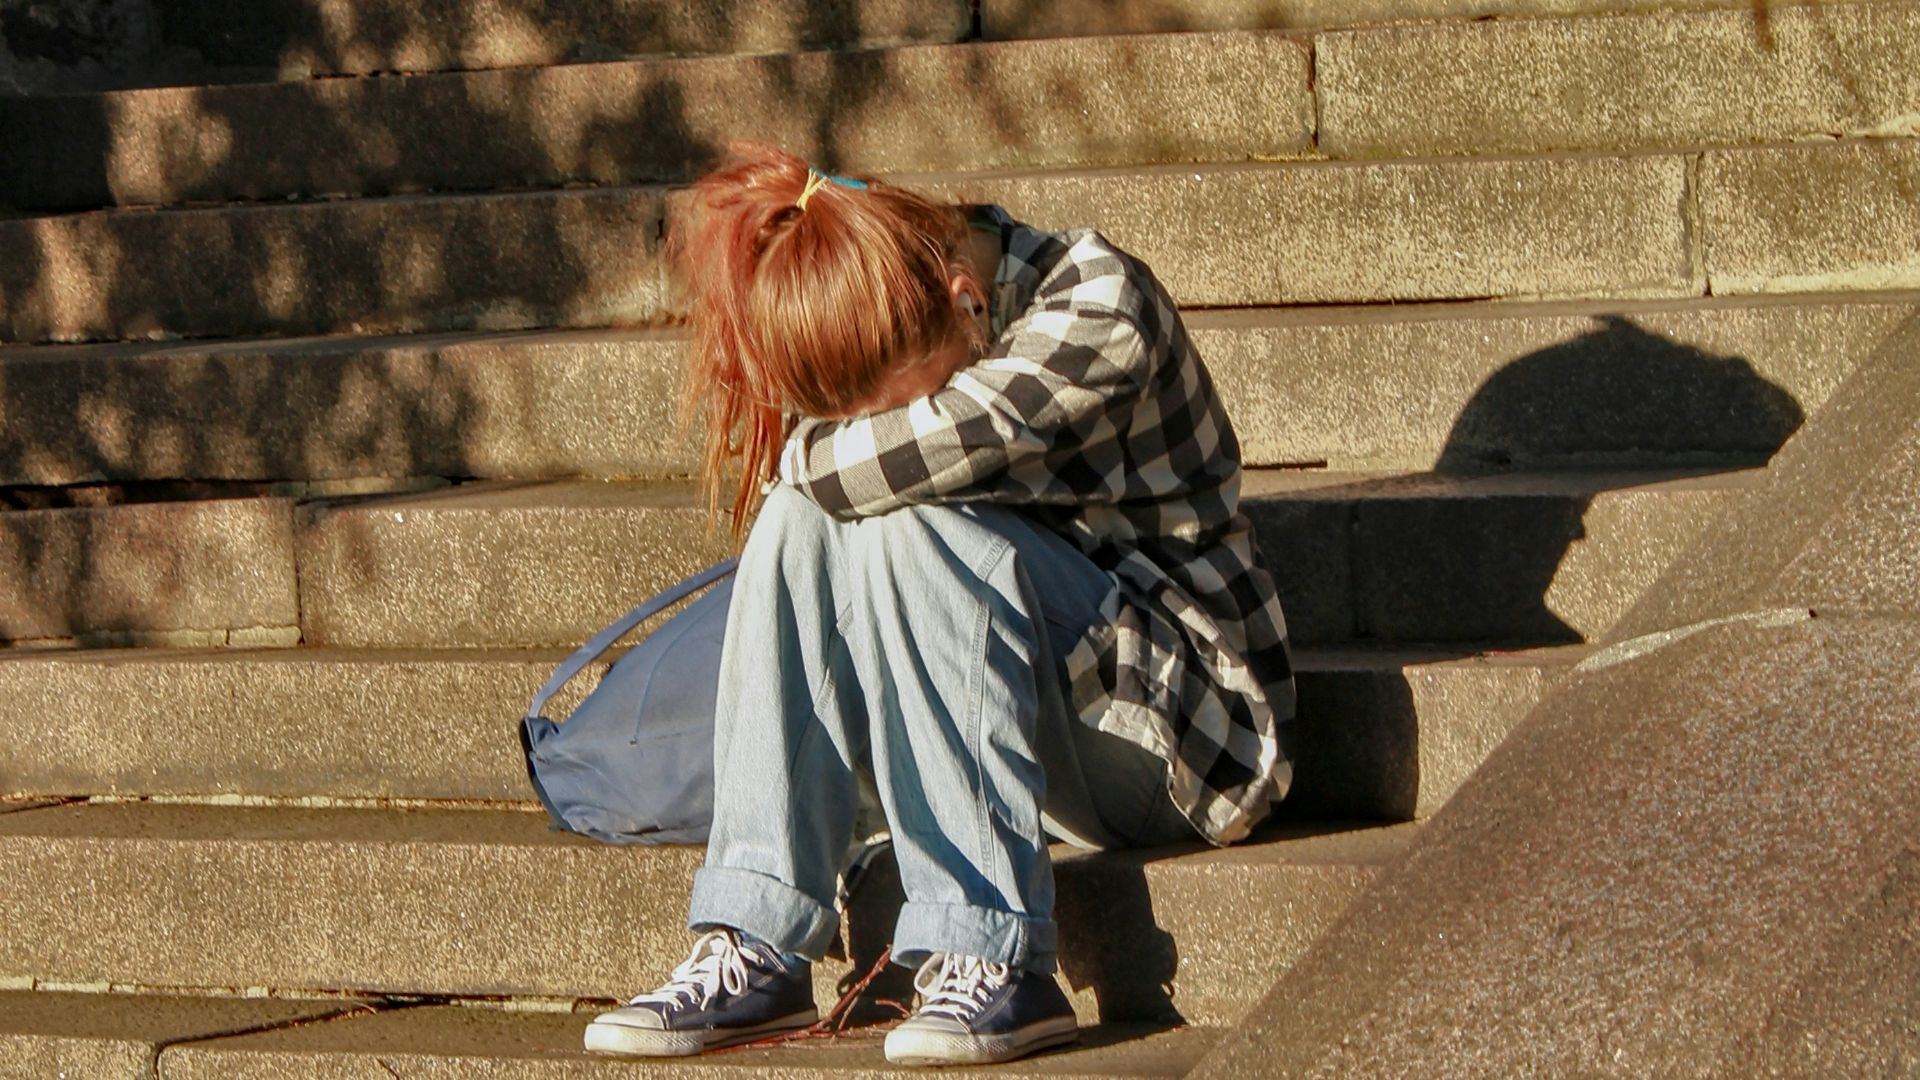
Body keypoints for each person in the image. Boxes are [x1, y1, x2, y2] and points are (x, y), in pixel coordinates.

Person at [583, 143, 1296, 1067]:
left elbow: (859, 467)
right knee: (816, 521)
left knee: (892, 513)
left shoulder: (1097, 304)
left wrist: (809, 458)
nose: (874, 427)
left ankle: (992, 955)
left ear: (967, 299)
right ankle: (756, 934)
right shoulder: (922, 313)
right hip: (1036, 729)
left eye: (897, 403)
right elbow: (838, 482)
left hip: (1188, 737)